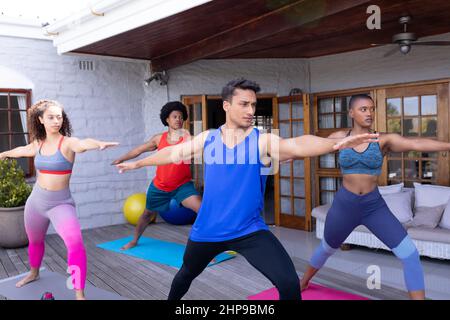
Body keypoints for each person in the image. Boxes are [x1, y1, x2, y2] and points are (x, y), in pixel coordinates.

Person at [116, 79, 379, 300]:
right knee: (185, 274)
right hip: (208, 230)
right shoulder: (208, 138)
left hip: (250, 231)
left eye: (253, 104)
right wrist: (140, 162)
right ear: (227, 105)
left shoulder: (262, 140)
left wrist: (336, 144)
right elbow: (174, 152)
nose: (250, 109)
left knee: (288, 284)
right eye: (244, 104)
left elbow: (297, 145)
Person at [300, 94, 450, 300]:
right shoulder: (340, 137)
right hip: (345, 206)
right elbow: (311, 146)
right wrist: (288, 156)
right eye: (363, 109)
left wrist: (448, 146)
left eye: (371, 108)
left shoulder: (382, 140)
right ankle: (303, 281)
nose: (369, 113)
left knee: (410, 254)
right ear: (351, 113)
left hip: (373, 207)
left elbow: (416, 143)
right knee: (327, 248)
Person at [0, 99, 118, 300]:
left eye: (59, 116)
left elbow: (82, 144)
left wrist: (96, 144)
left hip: (60, 204)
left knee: (75, 244)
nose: (57, 121)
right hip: (36, 202)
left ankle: (79, 294)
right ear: (41, 120)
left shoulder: (68, 143)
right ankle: (34, 272)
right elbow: (23, 150)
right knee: (35, 241)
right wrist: (3, 154)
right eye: (51, 117)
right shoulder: (39, 144)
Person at [112, 101, 202, 250]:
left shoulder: (189, 140)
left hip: (182, 186)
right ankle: (134, 240)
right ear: (167, 119)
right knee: (147, 214)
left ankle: (201, 248)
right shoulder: (158, 139)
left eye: (180, 117)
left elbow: (202, 149)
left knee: (203, 210)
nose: (178, 119)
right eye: (174, 116)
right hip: (160, 186)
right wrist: (122, 158)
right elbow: (139, 150)